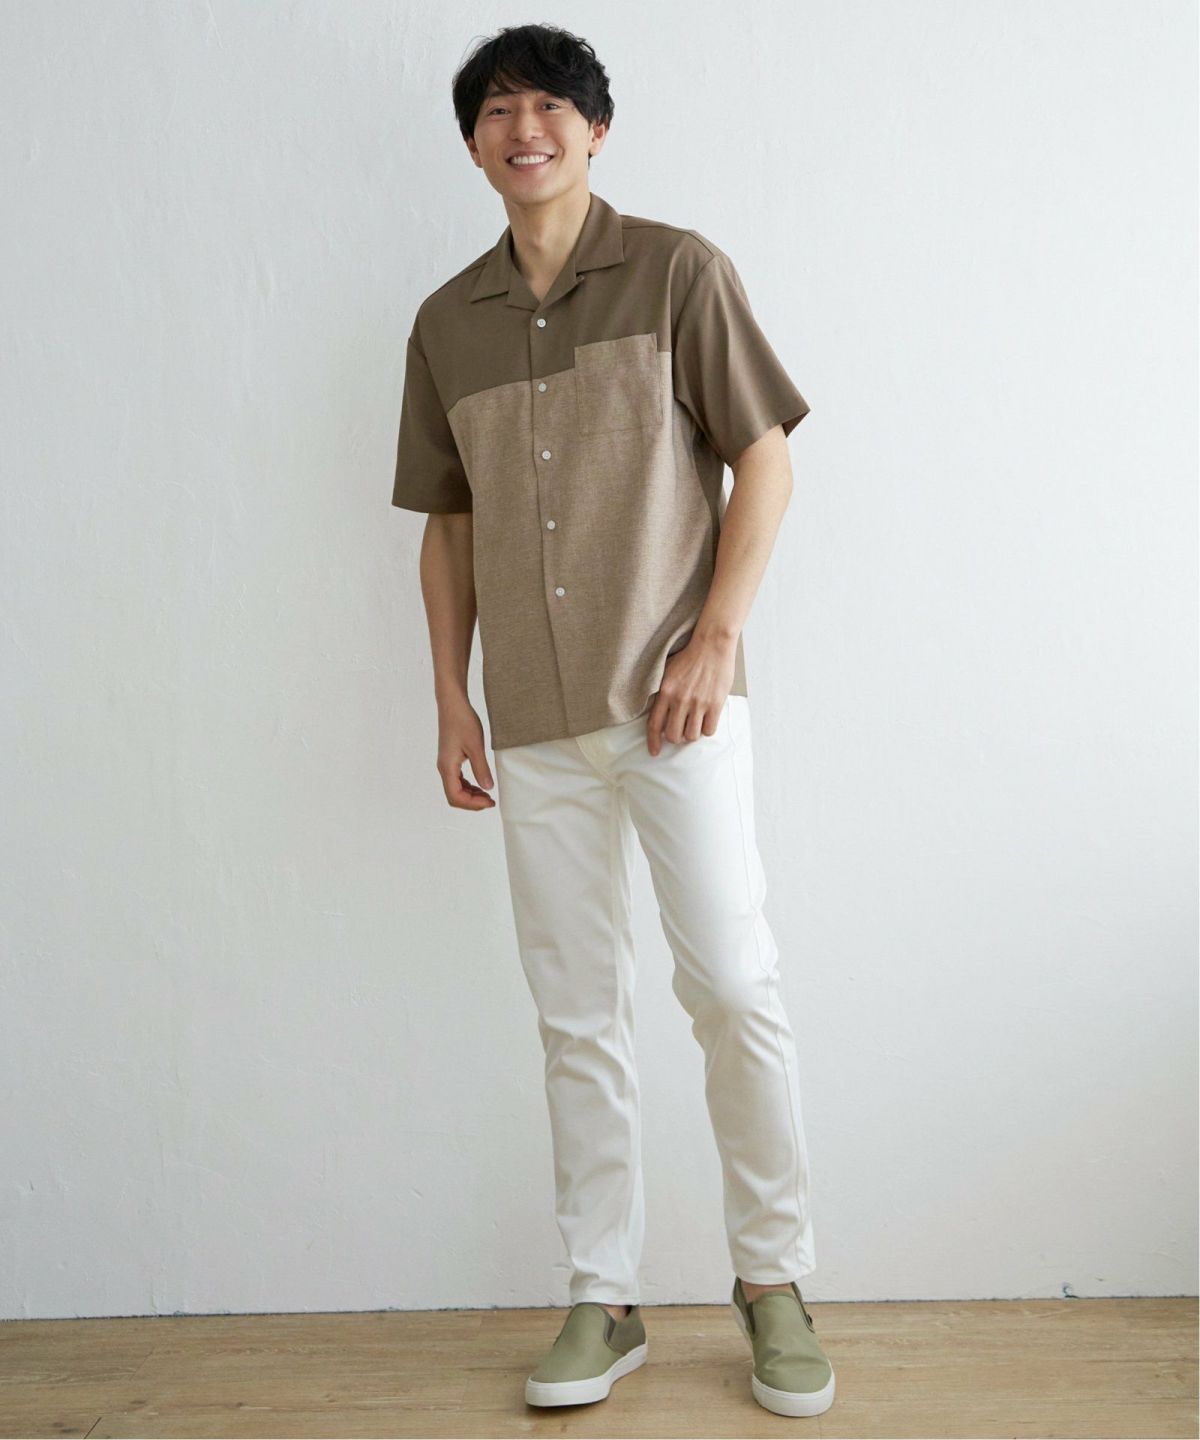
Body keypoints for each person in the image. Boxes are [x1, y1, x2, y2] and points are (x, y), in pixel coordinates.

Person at [391, 21, 835, 1420]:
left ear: (595, 130)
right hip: (531, 720)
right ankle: (606, 1295)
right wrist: (450, 696)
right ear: (474, 144)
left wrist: (717, 637)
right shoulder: (444, 324)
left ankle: (774, 1281)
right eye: (497, 110)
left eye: (550, 106)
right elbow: (446, 524)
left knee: (734, 988)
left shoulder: (678, 271)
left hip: (674, 707)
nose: (524, 128)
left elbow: (764, 458)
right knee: (576, 1013)